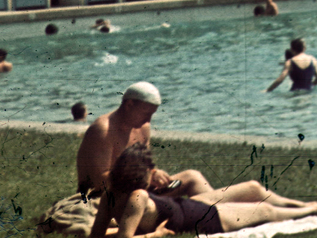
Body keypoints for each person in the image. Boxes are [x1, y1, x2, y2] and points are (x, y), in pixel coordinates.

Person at [89, 141, 317, 237]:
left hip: (188, 207)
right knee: (264, 209)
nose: (153, 173)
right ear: (139, 173)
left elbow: (96, 236)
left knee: (254, 187)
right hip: (203, 217)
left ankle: (304, 204)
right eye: (150, 170)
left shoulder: (113, 194)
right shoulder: (138, 196)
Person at [77, 83, 215, 200]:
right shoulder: (103, 129)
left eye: (151, 115)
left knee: (193, 177)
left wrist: (154, 173)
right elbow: (100, 181)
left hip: (137, 191)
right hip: (105, 198)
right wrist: (146, 178)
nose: (148, 120)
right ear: (129, 105)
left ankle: (221, 211)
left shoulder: (143, 128)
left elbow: (145, 164)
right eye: (145, 114)